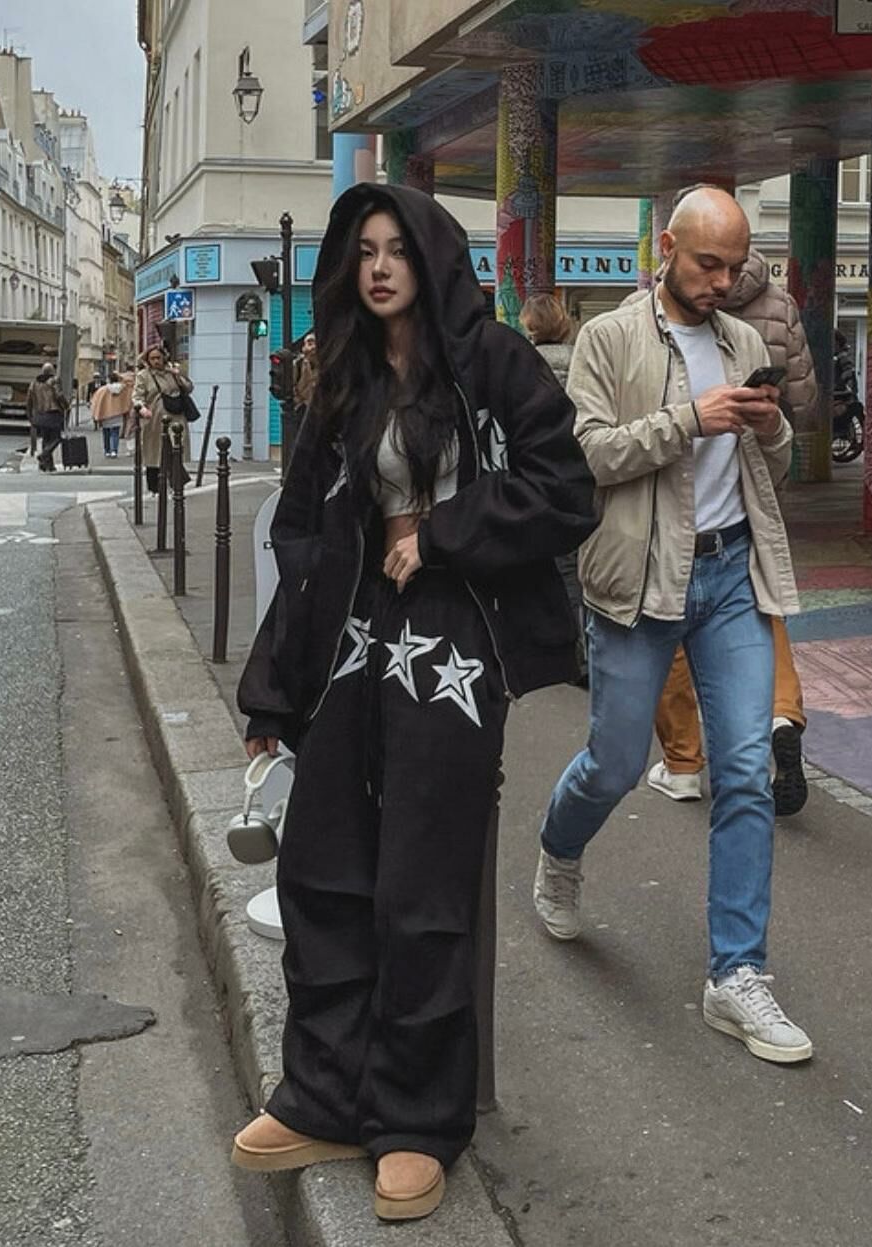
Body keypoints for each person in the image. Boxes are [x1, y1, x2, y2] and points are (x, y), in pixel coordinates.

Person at [231, 184, 595, 1221]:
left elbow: (564, 489)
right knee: (321, 866)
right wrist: (272, 693)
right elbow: (303, 536)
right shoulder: (342, 376)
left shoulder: (493, 363)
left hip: (454, 641)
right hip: (351, 639)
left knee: (422, 884)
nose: (380, 267)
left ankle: (416, 1119)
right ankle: (325, 1093)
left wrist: (439, 534)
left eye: (396, 249)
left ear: (430, 260)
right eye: (364, 252)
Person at [534, 187, 812, 1065]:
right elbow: (584, 455)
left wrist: (769, 427)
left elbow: (774, 464)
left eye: (733, 267)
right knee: (614, 762)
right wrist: (690, 419)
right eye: (706, 264)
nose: (721, 282)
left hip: (730, 576)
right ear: (666, 247)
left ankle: (737, 973)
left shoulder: (742, 342)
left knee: (744, 772)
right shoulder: (608, 337)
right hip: (640, 578)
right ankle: (558, 850)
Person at [647, 242, 814, 816]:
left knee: (670, 633)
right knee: (765, 605)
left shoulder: (652, 313)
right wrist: (774, 418)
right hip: (754, 483)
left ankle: (683, 762)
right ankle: (780, 716)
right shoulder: (781, 303)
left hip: (673, 500)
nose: (721, 281)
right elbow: (805, 394)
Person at [520, 292, 587, 685]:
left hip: (540, 476)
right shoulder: (582, 358)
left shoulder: (526, 364)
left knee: (555, 567)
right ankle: (587, 649)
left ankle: (566, 652)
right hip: (583, 473)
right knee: (580, 568)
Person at [132, 347, 193, 493]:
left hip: (175, 416)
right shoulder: (143, 375)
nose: (156, 361)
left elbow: (189, 388)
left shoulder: (172, 372)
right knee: (154, 453)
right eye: (152, 358)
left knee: (175, 449)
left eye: (158, 358)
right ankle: (155, 487)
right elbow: (137, 396)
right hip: (154, 419)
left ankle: (176, 483)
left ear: (164, 357)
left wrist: (178, 376)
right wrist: (142, 408)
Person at [26, 362, 68, 473]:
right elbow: (59, 395)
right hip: (53, 413)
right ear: (52, 371)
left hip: (40, 414)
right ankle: (44, 455)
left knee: (46, 439)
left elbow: (29, 399)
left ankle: (47, 465)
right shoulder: (54, 380)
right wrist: (66, 405)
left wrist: (30, 415)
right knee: (56, 438)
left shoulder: (34, 383)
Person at [90, 370, 132, 457]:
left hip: (105, 414)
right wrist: (121, 376)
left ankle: (107, 451)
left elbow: (95, 401)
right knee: (115, 433)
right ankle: (114, 451)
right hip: (118, 414)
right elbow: (130, 381)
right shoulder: (123, 389)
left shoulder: (103, 390)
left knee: (106, 433)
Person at [293, 330, 318, 412]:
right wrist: (299, 401)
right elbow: (291, 386)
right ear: (303, 348)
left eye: (315, 344)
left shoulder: (325, 364)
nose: (313, 347)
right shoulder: (298, 364)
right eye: (310, 344)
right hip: (302, 408)